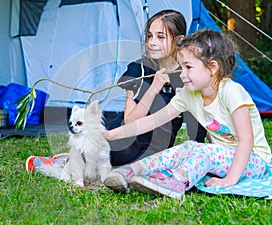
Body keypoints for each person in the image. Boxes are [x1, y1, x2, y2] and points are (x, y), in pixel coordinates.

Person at [103, 29, 272, 198]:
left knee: (205, 151)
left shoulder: (231, 91)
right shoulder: (189, 94)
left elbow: (246, 141)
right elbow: (152, 121)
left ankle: (177, 182)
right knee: (187, 147)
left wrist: (229, 180)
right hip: (220, 159)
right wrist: (111, 134)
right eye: (181, 67)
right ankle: (130, 171)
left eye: (188, 67)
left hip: (254, 161)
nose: (182, 74)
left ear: (212, 67)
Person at [108, 9, 207, 166]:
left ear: (179, 40)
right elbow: (130, 120)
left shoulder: (188, 73)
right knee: (122, 151)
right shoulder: (139, 69)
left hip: (159, 144)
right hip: (128, 135)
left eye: (161, 37)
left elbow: (196, 118)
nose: (152, 42)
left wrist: (197, 148)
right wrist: (154, 87)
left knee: (151, 160)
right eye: (149, 36)